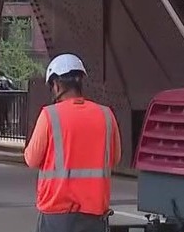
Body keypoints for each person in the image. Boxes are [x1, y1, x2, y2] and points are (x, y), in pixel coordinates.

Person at [24, 54, 121, 232]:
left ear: (57, 84)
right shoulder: (106, 115)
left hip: (57, 213)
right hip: (94, 214)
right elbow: (114, 159)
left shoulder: (49, 115)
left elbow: (31, 159)